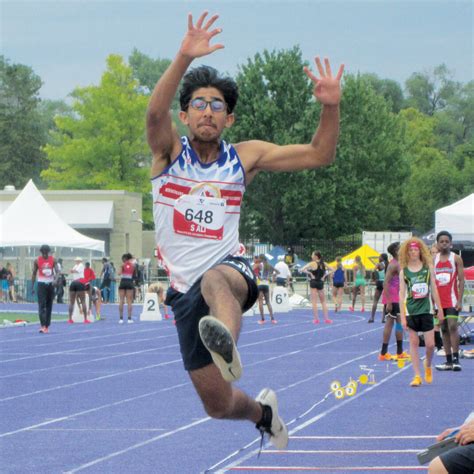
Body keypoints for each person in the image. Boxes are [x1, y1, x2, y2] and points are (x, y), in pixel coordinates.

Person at [147, 11, 343, 449]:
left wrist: (330, 106)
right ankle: (263, 412)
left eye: (218, 106)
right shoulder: (167, 154)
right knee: (217, 406)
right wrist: (183, 55)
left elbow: (319, 155)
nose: (208, 112)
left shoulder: (244, 157)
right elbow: (154, 110)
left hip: (229, 270)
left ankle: (225, 345)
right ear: (184, 114)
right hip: (183, 292)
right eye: (199, 104)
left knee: (218, 277)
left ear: (229, 120)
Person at [399, 238, 444, 387]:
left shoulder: (428, 268)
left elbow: (435, 290)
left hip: (426, 310)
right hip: (411, 311)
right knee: (414, 343)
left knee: (430, 345)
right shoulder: (403, 272)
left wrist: (440, 309)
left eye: (415, 250)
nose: (413, 252)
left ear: (420, 251)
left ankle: (428, 365)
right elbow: (401, 295)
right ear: (407, 253)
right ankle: (417, 376)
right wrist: (403, 317)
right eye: (410, 250)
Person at [433, 231, 465, 372]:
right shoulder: (433, 259)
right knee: (444, 328)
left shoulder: (456, 258)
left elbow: (462, 280)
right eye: (442, 241)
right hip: (438, 301)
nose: (444, 243)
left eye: (447, 241)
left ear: (451, 243)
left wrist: (459, 300)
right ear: (438, 243)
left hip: (452, 300)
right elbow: (431, 281)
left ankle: (456, 360)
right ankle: (448, 361)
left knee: (452, 326)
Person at [377, 242, 407, 361]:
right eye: (400, 248)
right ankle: (387, 353)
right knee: (392, 324)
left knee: (397, 324)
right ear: (395, 251)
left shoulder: (400, 263)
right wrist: (389, 302)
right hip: (393, 298)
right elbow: (385, 283)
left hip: (398, 298)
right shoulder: (393, 265)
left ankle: (393, 352)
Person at [31, 245, 59, 333]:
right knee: (41, 305)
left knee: (49, 306)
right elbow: (34, 273)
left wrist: (55, 280)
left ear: (48, 252)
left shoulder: (53, 260)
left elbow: (58, 272)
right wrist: (32, 286)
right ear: (41, 252)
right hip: (41, 284)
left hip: (50, 284)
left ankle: (47, 326)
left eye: (46, 253)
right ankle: (43, 326)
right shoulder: (37, 260)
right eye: (43, 253)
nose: (45, 255)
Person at [302, 251, 332, 324]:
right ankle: (327, 319)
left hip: (313, 282)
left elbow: (302, 269)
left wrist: (310, 274)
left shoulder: (312, 263)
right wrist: (324, 276)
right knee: (323, 302)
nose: (311, 256)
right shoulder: (323, 263)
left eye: (312, 255)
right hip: (320, 282)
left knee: (314, 302)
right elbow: (333, 269)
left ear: (316, 256)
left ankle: (316, 319)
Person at [430, 243, 444, 353]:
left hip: (445, 298)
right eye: (432, 253)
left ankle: (445, 346)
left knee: (446, 324)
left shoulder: (443, 265)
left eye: (436, 252)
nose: (434, 255)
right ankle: (439, 346)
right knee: (436, 324)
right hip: (434, 299)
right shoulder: (429, 266)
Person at [68, 256, 90, 324]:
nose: (76, 261)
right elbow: (74, 271)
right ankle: (85, 319)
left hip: (74, 282)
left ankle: (70, 319)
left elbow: (73, 271)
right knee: (83, 301)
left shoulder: (79, 266)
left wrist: (72, 270)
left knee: (72, 302)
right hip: (79, 282)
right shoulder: (79, 265)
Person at [256, 255, 276, 324]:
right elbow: (273, 274)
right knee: (268, 302)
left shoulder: (259, 265)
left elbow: (256, 273)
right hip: (266, 285)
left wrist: (259, 277)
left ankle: (262, 319)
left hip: (260, 284)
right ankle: (272, 319)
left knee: (260, 302)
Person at [368, 253, 388, 323]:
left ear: (382, 258)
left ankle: (372, 318)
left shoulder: (379, 264)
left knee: (375, 300)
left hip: (379, 282)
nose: (378, 258)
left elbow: (373, 271)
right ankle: (383, 318)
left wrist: (374, 279)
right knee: (385, 302)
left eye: (379, 257)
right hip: (386, 283)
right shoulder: (388, 264)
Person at [118, 253, 136, 324]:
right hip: (129, 282)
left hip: (123, 282)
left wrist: (122, 269)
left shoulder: (122, 265)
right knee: (129, 301)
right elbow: (134, 275)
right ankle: (129, 319)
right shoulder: (133, 266)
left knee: (121, 300)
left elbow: (119, 273)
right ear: (130, 259)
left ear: (124, 259)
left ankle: (121, 319)